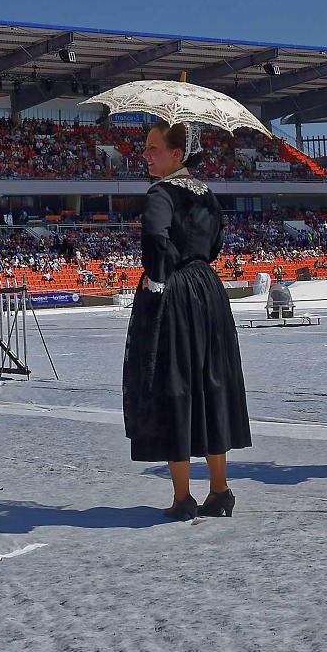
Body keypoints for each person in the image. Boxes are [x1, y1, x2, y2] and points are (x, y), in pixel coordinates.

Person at [123, 120, 250, 520]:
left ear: (177, 154)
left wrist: (157, 280)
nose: (145, 155)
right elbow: (214, 245)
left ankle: (182, 498)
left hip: (174, 292)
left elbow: (155, 238)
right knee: (210, 382)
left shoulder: (161, 192)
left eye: (153, 148)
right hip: (208, 292)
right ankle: (220, 490)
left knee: (172, 384)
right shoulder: (207, 194)